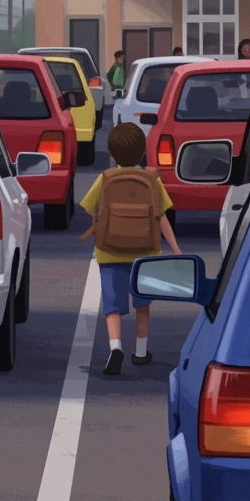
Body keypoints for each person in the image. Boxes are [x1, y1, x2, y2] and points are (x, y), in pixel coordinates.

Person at [79, 122, 181, 376]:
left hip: (110, 253)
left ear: (111, 152)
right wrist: (176, 249)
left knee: (112, 307)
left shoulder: (106, 178)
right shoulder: (152, 179)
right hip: (146, 254)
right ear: (142, 150)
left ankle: (115, 348)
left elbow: (90, 208)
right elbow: (162, 217)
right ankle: (141, 352)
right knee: (142, 306)